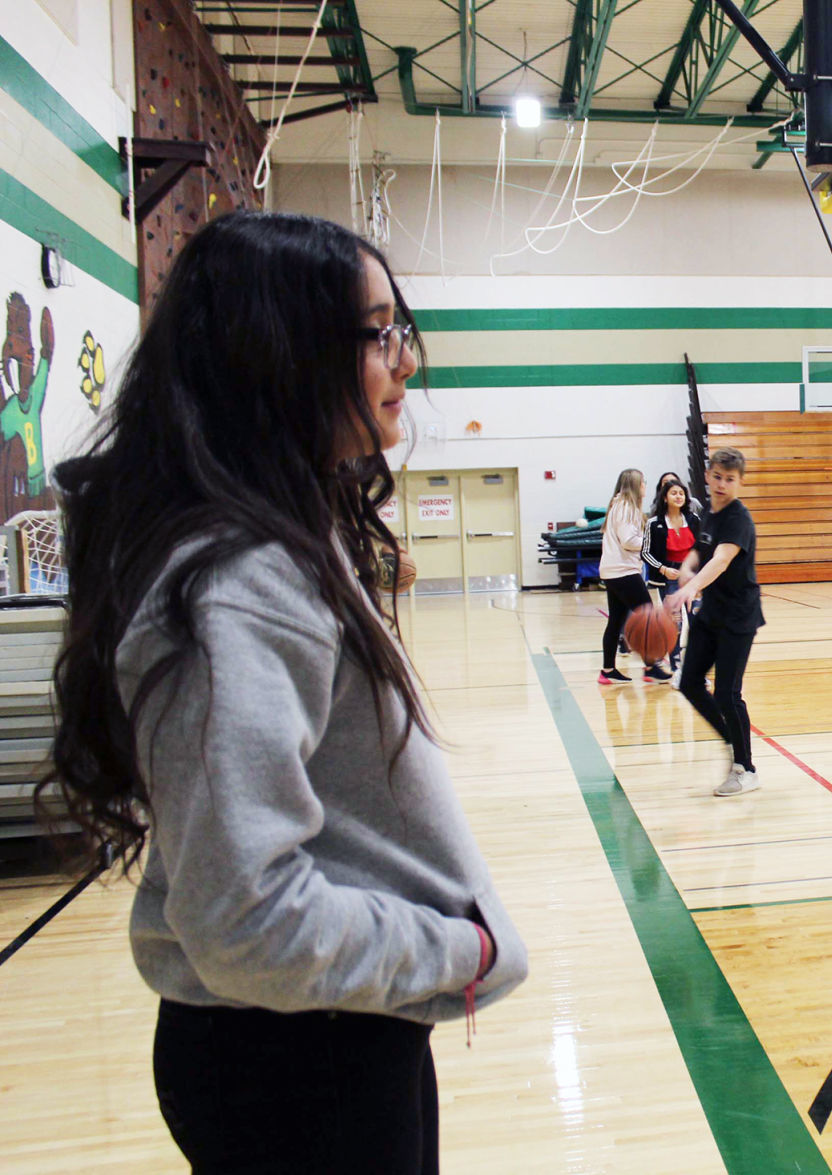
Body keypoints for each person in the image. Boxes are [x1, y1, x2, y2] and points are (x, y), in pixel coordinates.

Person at [41, 211, 527, 1172]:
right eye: (381, 333)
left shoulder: (275, 540)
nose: (406, 362)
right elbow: (243, 919)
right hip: (300, 1059)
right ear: (284, 356)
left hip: (313, 1036)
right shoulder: (244, 580)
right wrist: (452, 951)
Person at [669, 448, 764, 797]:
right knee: (690, 682)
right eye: (718, 477)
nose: (723, 484)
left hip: (738, 616)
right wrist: (687, 566)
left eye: (730, 479)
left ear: (740, 482)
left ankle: (745, 769)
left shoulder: (739, 518)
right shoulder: (709, 511)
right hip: (711, 612)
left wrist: (691, 586)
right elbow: (701, 548)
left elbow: (722, 559)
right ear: (707, 476)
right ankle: (732, 739)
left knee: (727, 692)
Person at [597, 468, 670, 685]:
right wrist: (653, 545)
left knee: (616, 621)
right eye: (643, 482)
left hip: (614, 570)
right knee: (648, 616)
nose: (645, 485)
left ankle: (607, 670)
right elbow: (628, 541)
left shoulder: (618, 505)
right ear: (636, 484)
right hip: (623, 571)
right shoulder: (626, 506)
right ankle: (651, 666)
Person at [642, 472, 700, 673]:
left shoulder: (693, 519)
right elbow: (645, 553)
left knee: (697, 622)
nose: (678, 496)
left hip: (692, 579)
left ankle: (696, 667)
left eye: (681, 493)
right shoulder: (654, 523)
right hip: (668, 580)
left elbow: (703, 547)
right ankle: (676, 667)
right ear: (665, 497)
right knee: (675, 623)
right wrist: (663, 569)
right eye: (674, 493)